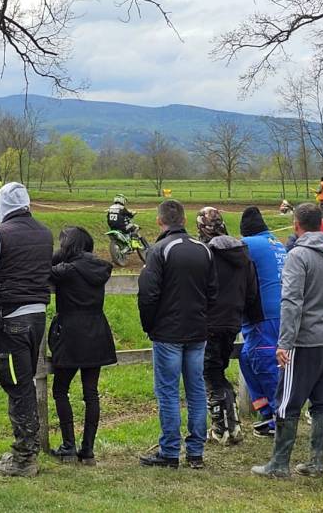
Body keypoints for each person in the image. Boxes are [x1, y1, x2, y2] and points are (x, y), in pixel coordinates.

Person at [251, 203, 323, 478]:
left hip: (306, 341)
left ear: (296, 224)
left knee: (287, 402)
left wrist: (285, 342)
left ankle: (279, 464)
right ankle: (316, 462)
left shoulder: (297, 256)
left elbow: (291, 301)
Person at [0, 183, 53, 477]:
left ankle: (24, 458)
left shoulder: (0, 234)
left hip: (12, 317)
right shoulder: (45, 233)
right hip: (38, 315)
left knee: (18, 387)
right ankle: (27, 450)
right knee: (26, 381)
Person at [138, 199, 217, 469]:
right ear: (184, 220)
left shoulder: (159, 250)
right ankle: (196, 452)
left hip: (168, 332)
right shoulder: (203, 249)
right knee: (196, 390)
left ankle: (170, 451)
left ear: (159, 221)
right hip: (197, 330)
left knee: (168, 392)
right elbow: (213, 292)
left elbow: (148, 294)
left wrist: (149, 326)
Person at [47, 227, 118, 465]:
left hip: (70, 333)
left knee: (60, 389)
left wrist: (58, 255)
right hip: (96, 330)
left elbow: (44, 269)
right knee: (91, 393)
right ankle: (88, 450)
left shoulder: (67, 270)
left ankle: (68, 445)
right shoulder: (99, 267)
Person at [196, 207, 263, 446]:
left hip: (209, 320)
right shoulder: (242, 254)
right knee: (218, 370)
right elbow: (252, 291)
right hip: (233, 320)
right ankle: (232, 424)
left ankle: (220, 427)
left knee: (209, 372)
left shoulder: (205, 254)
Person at [237, 206, 288, 437]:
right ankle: (266, 410)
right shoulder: (276, 243)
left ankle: (280, 418)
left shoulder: (248, 244)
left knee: (264, 361)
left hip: (262, 313)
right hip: (283, 310)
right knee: (246, 357)